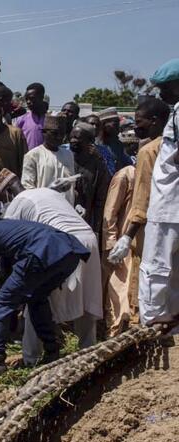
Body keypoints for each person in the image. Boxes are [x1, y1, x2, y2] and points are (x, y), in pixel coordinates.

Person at [0, 200, 90, 380]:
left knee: (2, 302)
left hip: (42, 252)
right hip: (68, 253)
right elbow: (5, 276)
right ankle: (52, 350)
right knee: (37, 298)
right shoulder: (4, 229)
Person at [4, 188, 102, 366]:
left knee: (37, 299)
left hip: (62, 243)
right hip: (89, 239)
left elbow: (9, 245)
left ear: (7, 195)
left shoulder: (16, 203)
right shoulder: (49, 193)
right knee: (87, 296)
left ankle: (30, 358)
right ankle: (88, 351)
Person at [105, 97, 171, 335]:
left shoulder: (149, 151)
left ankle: (141, 328)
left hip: (153, 228)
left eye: (139, 121)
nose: (136, 126)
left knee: (144, 278)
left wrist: (127, 236)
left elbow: (142, 198)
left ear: (154, 121)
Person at [135, 59, 179, 328]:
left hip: (168, 205)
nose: (161, 94)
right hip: (171, 203)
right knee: (172, 272)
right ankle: (171, 324)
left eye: (165, 88)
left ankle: (152, 324)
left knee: (156, 267)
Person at [69, 122, 111, 237]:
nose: (73, 140)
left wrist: (96, 230)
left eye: (77, 138)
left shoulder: (98, 166)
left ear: (89, 141)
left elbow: (100, 200)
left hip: (85, 224)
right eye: (71, 137)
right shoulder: (65, 160)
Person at [21, 114, 77, 199]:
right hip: (44, 207)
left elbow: (72, 184)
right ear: (44, 133)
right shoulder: (33, 155)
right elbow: (28, 187)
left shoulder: (68, 154)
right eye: (54, 133)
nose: (59, 137)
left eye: (62, 134)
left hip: (66, 207)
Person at [96, 107, 134, 171]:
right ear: (104, 124)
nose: (118, 127)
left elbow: (128, 164)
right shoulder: (95, 146)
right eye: (115, 124)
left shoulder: (118, 144)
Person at [14, 83, 47, 151]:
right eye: (27, 99)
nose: (28, 102)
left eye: (32, 98)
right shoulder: (21, 120)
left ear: (41, 97)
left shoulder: (49, 119)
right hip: (27, 159)